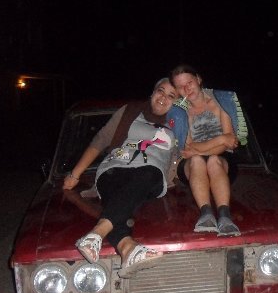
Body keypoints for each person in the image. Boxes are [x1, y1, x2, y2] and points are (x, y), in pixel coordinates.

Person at [63, 78, 179, 268]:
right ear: (152, 92)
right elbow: (100, 140)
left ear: (177, 102)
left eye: (171, 96)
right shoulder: (130, 111)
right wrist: (75, 175)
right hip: (114, 169)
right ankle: (127, 247)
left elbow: (187, 153)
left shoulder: (179, 125)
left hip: (151, 176)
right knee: (122, 197)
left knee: (148, 173)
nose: (163, 97)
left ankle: (97, 233)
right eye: (160, 90)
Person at [168, 64, 242, 237]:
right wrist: (220, 139)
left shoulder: (221, 102)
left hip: (223, 160)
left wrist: (202, 150)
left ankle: (225, 216)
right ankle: (206, 215)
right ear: (177, 91)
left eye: (189, 82)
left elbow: (229, 142)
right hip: (190, 164)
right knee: (196, 160)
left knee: (214, 160)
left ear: (198, 79)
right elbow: (188, 148)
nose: (187, 89)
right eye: (180, 86)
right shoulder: (180, 112)